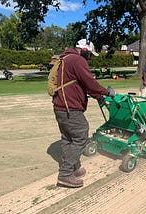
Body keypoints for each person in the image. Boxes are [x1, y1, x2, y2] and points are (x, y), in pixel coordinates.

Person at [51, 39, 115, 188]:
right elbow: (89, 82)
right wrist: (106, 92)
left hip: (60, 107)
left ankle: (74, 167)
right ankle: (65, 174)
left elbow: (81, 84)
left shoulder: (66, 58)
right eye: (90, 55)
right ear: (85, 50)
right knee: (81, 136)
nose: (90, 58)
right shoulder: (77, 60)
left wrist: (98, 96)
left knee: (68, 138)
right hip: (70, 108)